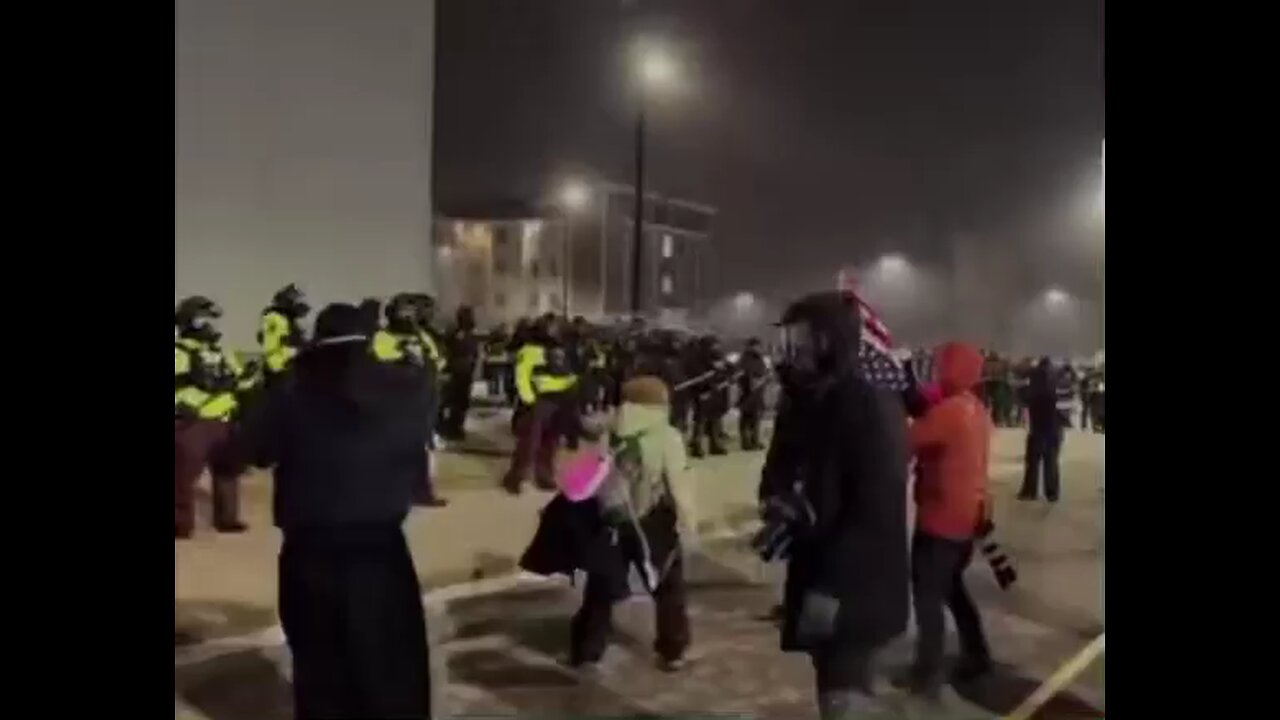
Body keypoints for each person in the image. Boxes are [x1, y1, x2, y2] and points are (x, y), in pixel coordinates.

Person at [239, 303, 432, 720]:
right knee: (391, 664)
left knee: (320, 664)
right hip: (381, 549)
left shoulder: (291, 392)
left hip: (311, 548)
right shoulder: (405, 385)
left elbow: (252, 450)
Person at [758, 291, 909, 720]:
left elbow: (877, 507)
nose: (793, 351)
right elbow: (777, 472)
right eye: (788, 339)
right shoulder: (801, 403)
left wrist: (832, 583)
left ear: (830, 342)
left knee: (844, 693)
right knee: (828, 679)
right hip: (816, 573)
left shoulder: (867, 404)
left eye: (802, 339)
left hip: (856, 586)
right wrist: (780, 507)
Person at [901, 342, 994, 698]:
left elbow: (909, 441)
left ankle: (927, 671)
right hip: (969, 515)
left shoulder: (949, 413)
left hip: (940, 517)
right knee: (953, 588)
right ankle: (977, 653)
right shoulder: (976, 409)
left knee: (927, 596)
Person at [175, 296, 255, 537]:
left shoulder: (222, 352)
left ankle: (227, 519)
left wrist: (249, 377)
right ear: (193, 321)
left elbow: (240, 381)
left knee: (227, 472)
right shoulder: (179, 352)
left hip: (225, 420)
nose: (215, 326)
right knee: (182, 476)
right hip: (192, 423)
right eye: (208, 319)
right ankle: (180, 524)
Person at [372, 294, 447, 507]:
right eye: (403, 312)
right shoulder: (382, 337)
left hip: (423, 399)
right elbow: (380, 365)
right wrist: (403, 358)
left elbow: (436, 360)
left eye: (411, 313)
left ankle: (421, 492)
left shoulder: (421, 335)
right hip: (395, 402)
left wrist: (428, 364)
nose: (407, 317)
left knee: (420, 449)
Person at [503, 314, 578, 494]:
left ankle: (544, 475)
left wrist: (571, 391)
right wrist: (529, 400)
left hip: (559, 400)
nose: (555, 330)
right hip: (539, 401)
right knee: (529, 443)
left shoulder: (561, 349)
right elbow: (521, 376)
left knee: (550, 442)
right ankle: (515, 477)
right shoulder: (530, 350)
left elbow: (569, 373)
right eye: (551, 327)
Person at [1019, 357, 1065, 502]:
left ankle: (1029, 491)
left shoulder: (1033, 388)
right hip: (1052, 428)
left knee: (1032, 461)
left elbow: (1022, 396)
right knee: (1051, 461)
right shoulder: (1056, 382)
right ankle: (1051, 493)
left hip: (1037, 428)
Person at [258, 283, 311, 388]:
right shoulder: (276, 318)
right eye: (294, 300)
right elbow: (275, 347)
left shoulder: (288, 320)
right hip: (281, 369)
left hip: (285, 368)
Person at [439, 305, 480, 441]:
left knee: (461, 402)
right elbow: (447, 351)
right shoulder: (456, 333)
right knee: (454, 401)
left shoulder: (469, 333)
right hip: (456, 372)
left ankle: (456, 426)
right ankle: (451, 428)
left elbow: (473, 353)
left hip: (464, 372)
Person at [688, 335, 731, 457]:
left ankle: (715, 444)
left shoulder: (719, 356)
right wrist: (712, 369)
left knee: (715, 418)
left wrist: (724, 369)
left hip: (717, 390)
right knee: (700, 420)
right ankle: (696, 445)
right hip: (703, 391)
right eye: (714, 345)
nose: (716, 347)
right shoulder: (697, 358)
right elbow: (695, 374)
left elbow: (730, 368)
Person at [737, 337, 771, 450]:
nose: (760, 348)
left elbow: (763, 371)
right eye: (758, 346)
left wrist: (766, 377)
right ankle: (747, 442)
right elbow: (747, 376)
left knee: (755, 418)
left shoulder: (759, 358)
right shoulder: (746, 359)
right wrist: (763, 379)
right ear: (752, 346)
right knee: (747, 418)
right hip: (748, 393)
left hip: (757, 393)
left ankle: (754, 440)